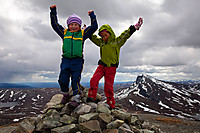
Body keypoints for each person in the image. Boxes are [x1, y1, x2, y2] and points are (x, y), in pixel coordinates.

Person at [87, 17, 143, 109]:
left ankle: (111, 104)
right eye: (102, 36)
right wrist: (87, 31)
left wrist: (134, 28)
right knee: (94, 80)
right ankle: (91, 97)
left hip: (111, 68)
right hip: (102, 66)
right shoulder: (101, 43)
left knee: (108, 87)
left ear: (110, 33)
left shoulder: (117, 42)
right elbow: (93, 38)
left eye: (106, 35)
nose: (104, 38)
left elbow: (125, 35)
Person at [50, 5, 98, 108]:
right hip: (66, 60)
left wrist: (92, 15)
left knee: (75, 79)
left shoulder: (82, 33)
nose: (73, 26)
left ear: (79, 26)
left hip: (77, 60)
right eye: (71, 24)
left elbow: (94, 27)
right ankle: (66, 94)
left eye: (76, 24)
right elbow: (54, 24)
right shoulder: (64, 33)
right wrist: (53, 11)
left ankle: (76, 98)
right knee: (62, 79)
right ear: (68, 25)